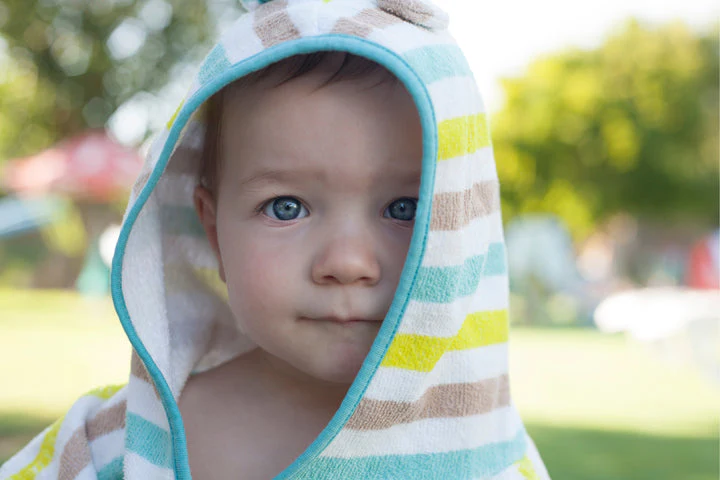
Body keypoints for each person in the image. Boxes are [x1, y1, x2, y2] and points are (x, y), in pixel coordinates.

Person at [1, 1, 550, 479]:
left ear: (462, 222)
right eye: (286, 208)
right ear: (214, 232)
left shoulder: (488, 464)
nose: (347, 263)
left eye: (404, 209)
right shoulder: (106, 450)